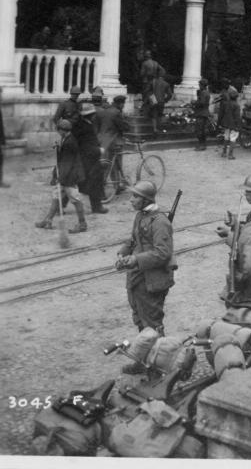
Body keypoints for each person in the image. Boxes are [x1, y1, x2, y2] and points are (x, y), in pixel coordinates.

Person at [115, 180, 175, 373]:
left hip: (153, 281)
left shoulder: (160, 222)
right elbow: (133, 239)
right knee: (140, 320)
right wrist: (123, 253)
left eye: (135, 197)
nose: (131, 200)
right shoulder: (141, 216)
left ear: (146, 199)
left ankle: (160, 365)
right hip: (137, 279)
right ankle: (144, 361)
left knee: (152, 324)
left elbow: (162, 253)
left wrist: (135, 260)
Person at [35, 119, 87, 233]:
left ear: (62, 131)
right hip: (65, 175)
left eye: (59, 131)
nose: (58, 133)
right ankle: (48, 220)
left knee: (75, 199)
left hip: (70, 176)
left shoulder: (70, 142)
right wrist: (58, 147)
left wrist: (59, 178)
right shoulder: (66, 138)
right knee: (56, 197)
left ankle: (82, 224)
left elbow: (67, 163)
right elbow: (63, 158)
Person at [73, 102, 108, 214]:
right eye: (93, 114)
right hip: (88, 160)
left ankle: (60, 203)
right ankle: (97, 207)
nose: (94, 116)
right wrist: (99, 150)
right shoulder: (85, 127)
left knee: (74, 182)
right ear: (90, 115)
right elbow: (86, 147)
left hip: (82, 159)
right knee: (95, 182)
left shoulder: (81, 124)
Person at [95, 95, 130, 192]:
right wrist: (127, 124)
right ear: (120, 103)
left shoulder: (104, 111)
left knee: (107, 162)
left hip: (102, 140)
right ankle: (115, 185)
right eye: (123, 104)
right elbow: (122, 127)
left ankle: (116, 185)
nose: (123, 106)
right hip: (114, 141)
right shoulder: (116, 112)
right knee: (116, 163)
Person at [218, 88, 241, 160]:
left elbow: (222, 113)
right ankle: (230, 155)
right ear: (236, 97)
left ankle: (224, 152)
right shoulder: (236, 105)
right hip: (233, 124)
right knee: (233, 139)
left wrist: (220, 122)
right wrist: (238, 125)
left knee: (226, 137)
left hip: (226, 123)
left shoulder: (226, 104)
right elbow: (237, 117)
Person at [140, 50, 163, 120]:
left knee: (146, 95)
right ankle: (153, 111)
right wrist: (158, 76)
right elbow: (162, 70)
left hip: (146, 81)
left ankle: (144, 111)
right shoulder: (156, 63)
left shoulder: (145, 63)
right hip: (154, 81)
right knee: (152, 95)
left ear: (146, 56)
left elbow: (142, 73)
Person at [151, 69, 172, 136]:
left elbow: (148, 91)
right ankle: (159, 128)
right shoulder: (166, 84)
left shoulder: (153, 82)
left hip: (153, 100)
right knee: (160, 115)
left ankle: (154, 129)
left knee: (154, 115)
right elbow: (170, 94)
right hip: (161, 101)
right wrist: (166, 100)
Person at [193, 77, 211, 151]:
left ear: (202, 85)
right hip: (204, 113)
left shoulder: (203, 93)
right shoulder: (205, 92)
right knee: (202, 129)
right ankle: (203, 144)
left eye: (199, 84)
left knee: (199, 130)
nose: (199, 86)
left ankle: (201, 145)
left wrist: (194, 102)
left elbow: (202, 103)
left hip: (201, 113)